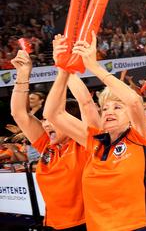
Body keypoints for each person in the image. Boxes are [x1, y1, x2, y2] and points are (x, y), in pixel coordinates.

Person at [46, 33, 146, 231]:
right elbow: (52, 113)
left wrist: (93, 66)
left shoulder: (138, 137)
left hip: (140, 226)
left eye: (117, 108)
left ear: (130, 117)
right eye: (105, 108)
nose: (109, 111)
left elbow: (133, 101)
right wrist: (63, 68)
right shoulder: (93, 140)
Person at [10, 48, 90, 231]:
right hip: (52, 224)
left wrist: (63, 68)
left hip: (85, 224)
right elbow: (19, 114)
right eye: (45, 120)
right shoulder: (48, 145)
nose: (46, 124)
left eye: (53, 120)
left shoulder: (86, 145)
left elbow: (84, 104)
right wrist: (23, 74)